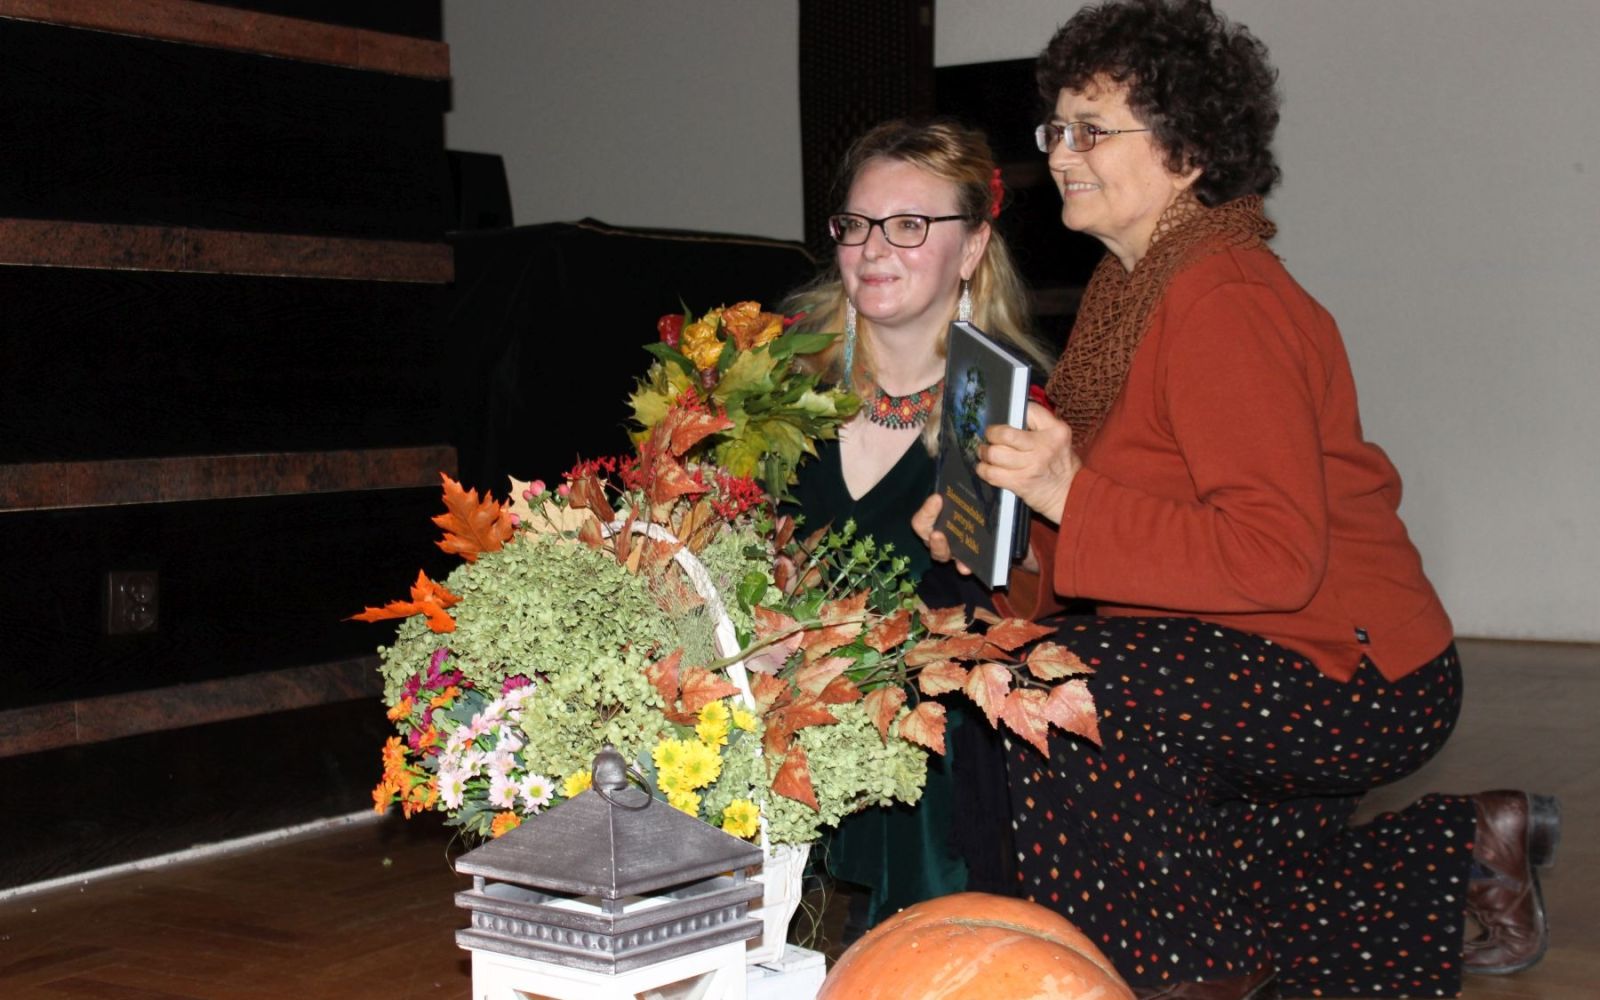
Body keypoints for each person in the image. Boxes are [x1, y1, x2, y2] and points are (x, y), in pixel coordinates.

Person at [911, 2, 1558, 998]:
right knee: (1226, 880)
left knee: (1057, 688)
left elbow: (1271, 557)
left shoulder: (1225, 299)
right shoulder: (1127, 297)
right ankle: (1468, 845)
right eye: (1056, 129)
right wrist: (997, 534)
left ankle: (1177, 981)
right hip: (1248, 647)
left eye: (1093, 130)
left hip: (1356, 671)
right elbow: (1123, 522)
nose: (1063, 154)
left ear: (1187, 150)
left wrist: (1066, 492)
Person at [781, 118, 1051, 937]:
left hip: (927, 728)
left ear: (972, 248)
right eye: (857, 224)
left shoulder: (1004, 407)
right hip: (780, 696)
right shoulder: (775, 383)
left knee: (934, 688)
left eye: (908, 225)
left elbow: (1033, 600)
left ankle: (923, 939)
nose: (873, 249)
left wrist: (999, 552)